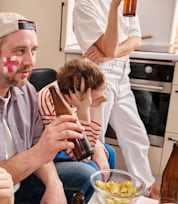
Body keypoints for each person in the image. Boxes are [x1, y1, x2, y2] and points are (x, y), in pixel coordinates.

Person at [0, 12, 98, 203]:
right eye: (19, 51)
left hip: (22, 182)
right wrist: (39, 152)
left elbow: (36, 145)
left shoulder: (26, 91)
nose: (30, 62)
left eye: (33, 50)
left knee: (87, 174)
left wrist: (54, 184)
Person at [73, 0, 160, 199]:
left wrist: (110, 53)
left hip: (122, 75)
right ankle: (92, 193)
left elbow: (135, 40)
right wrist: (113, 9)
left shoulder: (128, 4)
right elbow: (109, 47)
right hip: (99, 76)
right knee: (96, 141)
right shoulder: (85, 4)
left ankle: (147, 189)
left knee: (136, 135)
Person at [38, 59, 116, 175]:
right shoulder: (52, 107)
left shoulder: (70, 93)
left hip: (70, 141)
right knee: (92, 168)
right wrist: (84, 109)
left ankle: (100, 191)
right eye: (97, 96)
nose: (104, 99)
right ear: (79, 91)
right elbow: (82, 155)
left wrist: (98, 148)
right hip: (55, 152)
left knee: (110, 152)